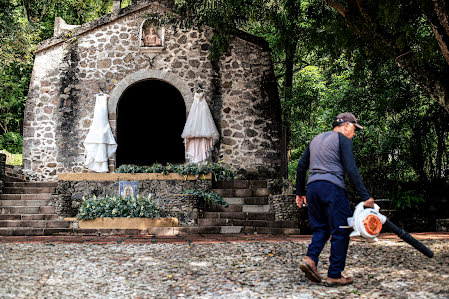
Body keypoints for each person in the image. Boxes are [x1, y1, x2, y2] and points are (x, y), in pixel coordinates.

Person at [295, 112, 375, 287]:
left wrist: (300, 192)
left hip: (313, 189)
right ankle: (334, 275)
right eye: (354, 129)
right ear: (346, 125)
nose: (353, 134)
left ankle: (310, 260)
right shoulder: (343, 140)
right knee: (341, 230)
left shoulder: (315, 139)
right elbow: (351, 169)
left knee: (321, 229)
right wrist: (365, 196)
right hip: (332, 189)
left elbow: (301, 166)